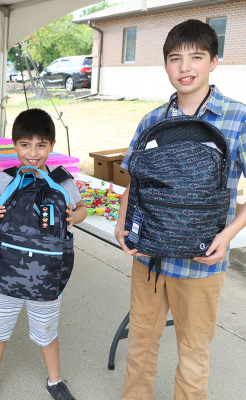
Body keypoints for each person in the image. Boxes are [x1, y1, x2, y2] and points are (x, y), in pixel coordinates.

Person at [114, 19, 246, 400]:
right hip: (149, 257)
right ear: (166, 65)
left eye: (196, 57)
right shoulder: (153, 120)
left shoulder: (237, 118)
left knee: (192, 353)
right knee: (140, 344)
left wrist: (227, 237)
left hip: (202, 259)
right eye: (175, 58)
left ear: (214, 62)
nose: (185, 68)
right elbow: (134, 183)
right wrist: (123, 227)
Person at [0, 108, 87, 400]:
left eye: (41, 145)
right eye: (25, 145)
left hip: (47, 277)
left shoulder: (62, 180)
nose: (32, 153)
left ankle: (55, 382)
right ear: (14, 145)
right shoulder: (6, 179)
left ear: (52, 145)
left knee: (47, 333)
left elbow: (81, 208)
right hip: (5, 273)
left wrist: (76, 217)